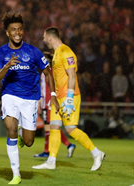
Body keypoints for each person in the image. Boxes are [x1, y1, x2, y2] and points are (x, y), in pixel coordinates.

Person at [0, 12, 59, 184]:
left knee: (28, 142)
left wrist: (53, 95)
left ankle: (23, 133)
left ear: (23, 31)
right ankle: (16, 174)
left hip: (30, 98)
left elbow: (47, 73)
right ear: (7, 32)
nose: (17, 32)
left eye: (20, 29)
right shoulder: (0, 53)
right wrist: (7, 66)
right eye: (13, 29)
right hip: (10, 95)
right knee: (10, 129)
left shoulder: (33, 52)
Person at [32, 27, 105, 171]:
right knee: (54, 127)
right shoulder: (57, 53)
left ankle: (97, 153)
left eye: (44, 37)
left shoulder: (66, 51)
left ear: (50, 37)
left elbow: (72, 75)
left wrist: (70, 97)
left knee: (71, 129)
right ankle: (51, 161)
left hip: (68, 96)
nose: (43, 39)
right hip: (58, 97)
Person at [34, 52, 76, 158]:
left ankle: (66, 145)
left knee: (50, 127)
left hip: (49, 103)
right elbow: (43, 89)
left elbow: (52, 89)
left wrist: (49, 101)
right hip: (45, 103)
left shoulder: (52, 72)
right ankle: (48, 150)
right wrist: (40, 102)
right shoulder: (44, 73)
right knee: (48, 127)